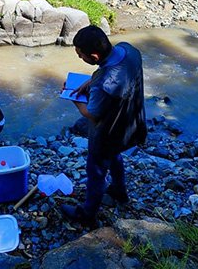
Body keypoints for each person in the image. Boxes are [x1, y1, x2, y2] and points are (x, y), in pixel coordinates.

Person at [61, 25, 147, 226]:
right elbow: (108, 73)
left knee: (96, 171)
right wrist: (92, 80)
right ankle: (119, 191)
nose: (80, 59)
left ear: (95, 56)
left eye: (81, 56)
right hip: (131, 123)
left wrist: (74, 97)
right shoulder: (129, 50)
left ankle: (87, 214)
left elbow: (91, 114)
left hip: (107, 133)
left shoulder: (105, 84)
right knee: (115, 155)